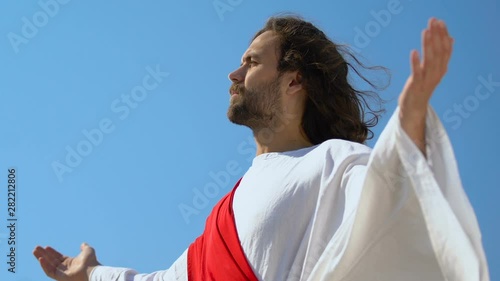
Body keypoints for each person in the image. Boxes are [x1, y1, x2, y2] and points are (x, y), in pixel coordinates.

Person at [33, 15, 490, 281]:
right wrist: (92, 273)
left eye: (251, 62)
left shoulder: (335, 162)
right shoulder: (225, 211)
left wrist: (409, 130)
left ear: (295, 80)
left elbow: (397, 210)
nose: (233, 75)